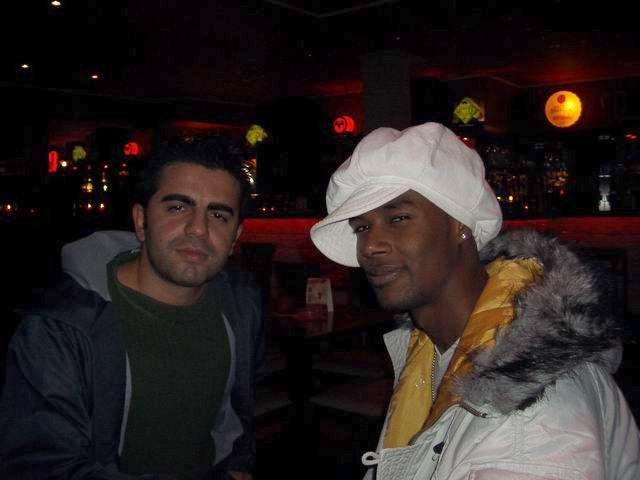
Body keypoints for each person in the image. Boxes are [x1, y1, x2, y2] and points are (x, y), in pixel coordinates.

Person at [310, 122, 640, 479]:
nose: (370, 246)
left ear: (460, 225)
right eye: (362, 227)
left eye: (398, 218)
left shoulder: (531, 412)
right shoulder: (432, 348)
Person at [0, 135, 263, 479]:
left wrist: (238, 465)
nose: (199, 229)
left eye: (218, 214)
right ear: (141, 221)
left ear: (235, 238)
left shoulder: (241, 303)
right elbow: (41, 466)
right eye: (178, 207)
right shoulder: (61, 327)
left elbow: (239, 415)